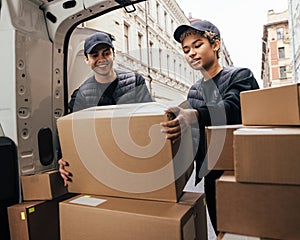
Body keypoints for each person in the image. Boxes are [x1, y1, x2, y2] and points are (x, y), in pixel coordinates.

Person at [160, 20, 259, 234]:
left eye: (198, 45)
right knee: (221, 230)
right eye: (186, 50)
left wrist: (193, 115)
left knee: (247, 232)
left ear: (215, 45)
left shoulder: (240, 76)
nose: (191, 53)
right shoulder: (194, 92)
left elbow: (232, 108)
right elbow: (194, 136)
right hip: (211, 175)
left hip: (243, 170)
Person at [58, 31, 153, 185]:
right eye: (95, 55)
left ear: (113, 55)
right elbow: (72, 132)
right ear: (87, 60)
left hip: (136, 158)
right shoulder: (81, 95)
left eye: (106, 53)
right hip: (102, 163)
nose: (101, 59)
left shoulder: (135, 82)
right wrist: (64, 157)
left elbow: (151, 118)